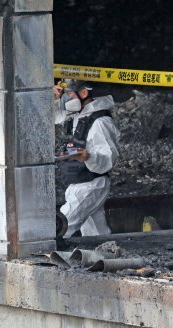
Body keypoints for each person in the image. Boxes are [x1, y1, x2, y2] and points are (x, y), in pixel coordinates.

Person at [53, 79, 120, 238]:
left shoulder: (100, 122)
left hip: (91, 185)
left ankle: (45, 260)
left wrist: (88, 157)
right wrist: (53, 99)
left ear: (83, 93)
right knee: (96, 235)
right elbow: (49, 117)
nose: (66, 98)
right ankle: (106, 257)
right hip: (76, 183)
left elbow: (108, 159)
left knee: (59, 227)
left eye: (68, 93)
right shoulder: (76, 115)